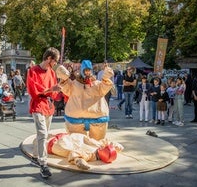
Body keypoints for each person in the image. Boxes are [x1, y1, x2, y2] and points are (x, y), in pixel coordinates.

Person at [56, 59, 114, 141]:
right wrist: (64, 77)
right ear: (82, 71)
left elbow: (105, 87)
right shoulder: (75, 84)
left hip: (96, 119)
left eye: (89, 70)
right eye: (85, 70)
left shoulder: (96, 84)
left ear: (91, 71)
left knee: (97, 143)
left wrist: (106, 78)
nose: (87, 72)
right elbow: (66, 87)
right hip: (77, 120)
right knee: (77, 142)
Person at [26, 47, 61, 178]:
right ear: (49, 58)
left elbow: (54, 93)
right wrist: (51, 89)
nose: (55, 64)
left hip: (48, 105)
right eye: (55, 61)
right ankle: (43, 164)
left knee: (43, 134)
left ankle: (35, 156)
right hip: (37, 104)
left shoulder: (52, 72)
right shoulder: (32, 71)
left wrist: (59, 89)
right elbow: (33, 90)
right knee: (42, 133)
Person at [47, 132, 124, 170]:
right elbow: (106, 142)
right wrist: (117, 146)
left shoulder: (91, 154)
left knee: (45, 142)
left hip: (60, 143)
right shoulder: (100, 146)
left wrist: (79, 161)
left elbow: (75, 154)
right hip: (71, 137)